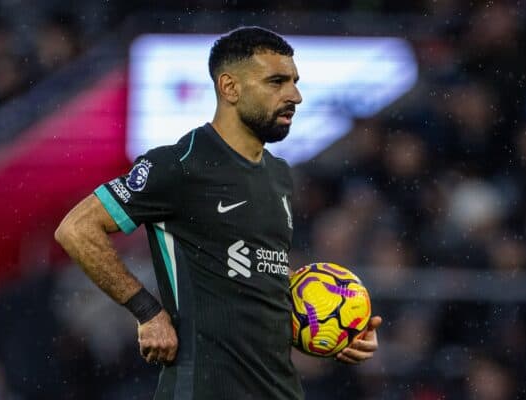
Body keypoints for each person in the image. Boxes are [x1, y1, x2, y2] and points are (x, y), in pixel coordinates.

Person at [55, 26, 382, 399]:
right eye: (277, 82)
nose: (295, 95)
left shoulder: (279, 175)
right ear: (230, 88)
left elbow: (257, 274)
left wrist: (333, 329)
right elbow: (77, 228)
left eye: (294, 81)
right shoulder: (181, 164)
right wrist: (148, 311)